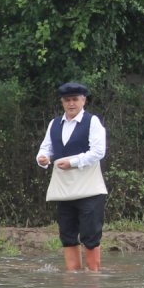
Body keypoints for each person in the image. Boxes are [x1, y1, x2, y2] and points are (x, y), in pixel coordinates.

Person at [37, 82, 107, 272]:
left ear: (83, 100)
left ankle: (93, 279)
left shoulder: (92, 122)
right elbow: (46, 148)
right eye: (67, 100)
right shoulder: (54, 124)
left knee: (90, 236)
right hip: (64, 191)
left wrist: (73, 162)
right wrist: (42, 159)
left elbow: (99, 151)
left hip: (90, 190)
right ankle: (73, 280)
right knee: (67, 235)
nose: (71, 104)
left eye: (75, 99)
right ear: (62, 102)